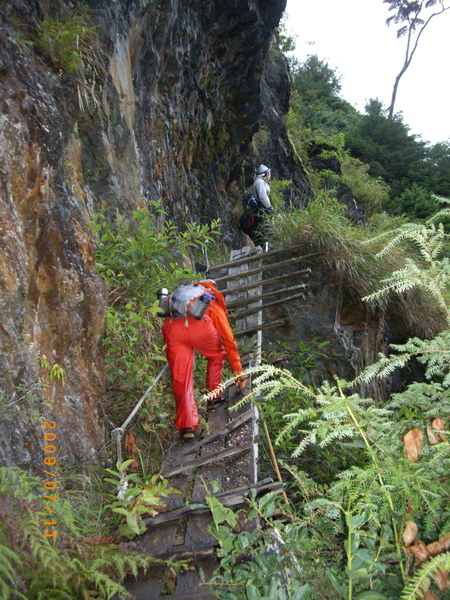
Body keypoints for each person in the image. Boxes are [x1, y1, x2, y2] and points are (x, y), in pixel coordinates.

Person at [162, 280, 246, 440]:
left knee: (182, 378)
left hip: (173, 329)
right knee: (216, 355)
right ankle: (214, 396)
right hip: (200, 328)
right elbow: (227, 338)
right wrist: (237, 369)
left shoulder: (179, 295)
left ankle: (187, 426)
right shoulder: (210, 299)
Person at [240, 164, 274, 246]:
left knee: (262, 235)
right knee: (264, 233)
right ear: (267, 173)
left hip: (257, 213)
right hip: (259, 214)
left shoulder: (260, 182)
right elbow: (263, 197)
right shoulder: (259, 182)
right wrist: (270, 208)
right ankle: (265, 252)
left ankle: (264, 250)